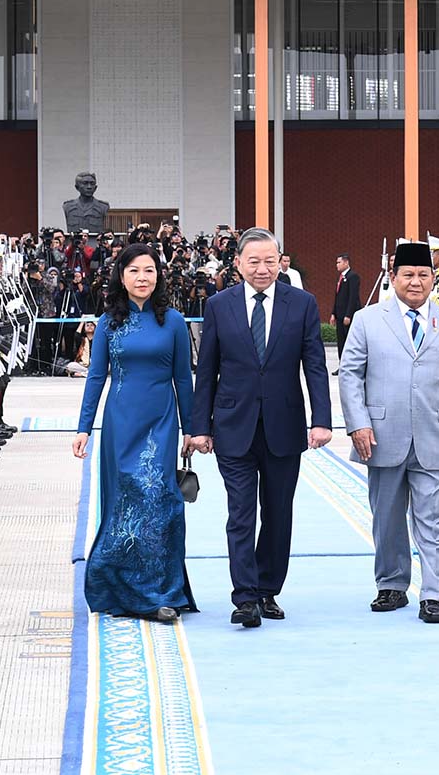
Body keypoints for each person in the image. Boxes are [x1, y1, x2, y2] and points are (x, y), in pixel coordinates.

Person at [189, 228, 332, 628]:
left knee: (278, 513)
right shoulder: (219, 306)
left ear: (281, 261)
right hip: (233, 426)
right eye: (253, 261)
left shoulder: (301, 304)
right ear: (237, 264)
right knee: (240, 514)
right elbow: (207, 371)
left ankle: (268, 588)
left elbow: (315, 365)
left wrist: (322, 420)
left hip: (285, 427)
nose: (263, 268)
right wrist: (199, 426)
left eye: (270, 260)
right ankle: (245, 596)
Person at [338, 241, 439, 624]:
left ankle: (433, 594)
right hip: (382, 435)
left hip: (435, 436)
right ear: (393, 278)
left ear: (433, 279)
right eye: (408, 275)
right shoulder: (368, 319)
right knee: (386, 516)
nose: (416, 282)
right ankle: (391, 584)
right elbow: (351, 375)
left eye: (423, 275)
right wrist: (357, 423)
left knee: (435, 519)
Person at [73, 244, 196, 622]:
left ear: (158, 275)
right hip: (119, 424)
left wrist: (191, 429)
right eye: (134, 271)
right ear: (121, 277)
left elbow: (183, 378)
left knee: (161, 502)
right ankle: (123, 588)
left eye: (149, 271)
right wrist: (83, 428)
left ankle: (162, 591)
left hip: (161, 423)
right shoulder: (109, 322)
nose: (142, 278)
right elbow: (96, 377)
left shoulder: (173, 321)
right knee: (126, 501)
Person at [331, 253, 361, 374]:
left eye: (339, 262)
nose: (337, 265)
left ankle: (350, 365)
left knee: (349, 341)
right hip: (339, 314)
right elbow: (337, 297)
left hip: (348, 315)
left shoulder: (353, 276)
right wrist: (333, 313)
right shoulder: (340, 277)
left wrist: (348, 315)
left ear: (346, 262)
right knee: (341, 341)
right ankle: (342, 365)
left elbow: (353, 297)